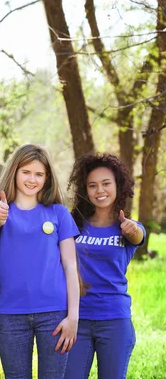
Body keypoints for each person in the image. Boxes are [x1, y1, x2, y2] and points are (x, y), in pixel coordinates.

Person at [0, 144, 81, 379]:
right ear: (14, 172)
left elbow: (70, 266)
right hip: (11, 315)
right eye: (26, 172)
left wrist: (73, 317)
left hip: (54, 314)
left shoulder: (58, 213)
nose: (32, 179)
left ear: (47, 178)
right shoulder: (0, 212)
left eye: (39, 174)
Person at [64, 153, 145, 379]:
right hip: (77, 319)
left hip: (114, 320)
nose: (100, 190)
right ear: (85, 190)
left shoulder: (127, 227)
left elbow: (138, 236)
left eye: (106, 184)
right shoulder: (74, 225)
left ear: (118, 186)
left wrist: (131, 230)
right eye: (93, 185)